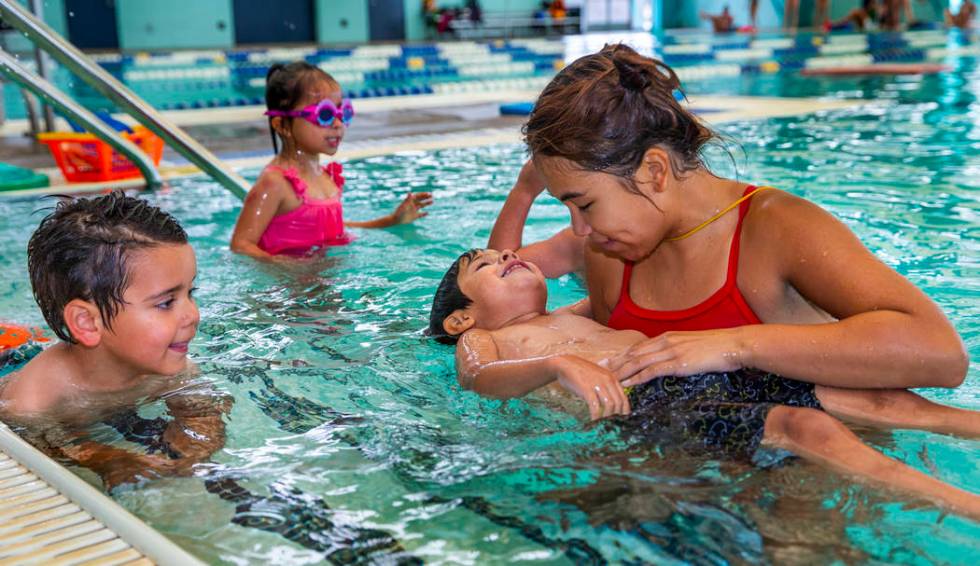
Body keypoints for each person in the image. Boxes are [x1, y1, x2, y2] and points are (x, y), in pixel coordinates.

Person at [489, 44, 968, 397]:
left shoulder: (776, 229)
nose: (579, 230)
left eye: (585, 204)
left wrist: (736, 344)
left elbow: (941, 354)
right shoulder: (608, 254)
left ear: (653, 170)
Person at [428, 248, 980, 518]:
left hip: (694, 368)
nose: (505, 254)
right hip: (652, 398)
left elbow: (645, 286)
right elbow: (478, 380)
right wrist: (557, 367)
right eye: (484, 264)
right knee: (805, 426)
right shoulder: (487, 342)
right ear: (461, 319)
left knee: (876, 399)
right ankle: (960, 503)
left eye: (505, 253)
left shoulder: (578, 312)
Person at [0, 192, 230, 490]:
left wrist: (193, 446)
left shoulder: (172, 367)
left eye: (190, 293)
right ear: (87, 322)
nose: (193, 315)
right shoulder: (33, 399)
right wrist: (105, 458)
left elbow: (203, 410)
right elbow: (45, 446)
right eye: (166, 303)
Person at [230, 62, 433, 260]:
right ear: (282, 125)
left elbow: (335, 232)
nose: (337, 124)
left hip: (324, 281)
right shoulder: (275, 183)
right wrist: (285, 267)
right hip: (288, 290)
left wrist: (391, 221)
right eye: (324, 114)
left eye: (341, 112)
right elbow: (241, 245)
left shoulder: (327, 177)